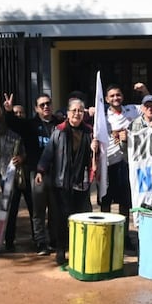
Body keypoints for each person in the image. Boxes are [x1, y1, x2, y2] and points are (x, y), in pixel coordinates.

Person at [35, 98, 99, 266]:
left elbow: (96, 158)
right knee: (61, 218)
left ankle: (80, 250)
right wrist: (41, 170)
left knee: (82, 216)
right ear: (68, 113)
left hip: (82, 181)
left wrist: (95, 148)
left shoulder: (90, 132)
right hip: (62, 182)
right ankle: (61, 251)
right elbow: (48, 153)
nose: (77, 114)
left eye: (80, 111)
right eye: (74, 110)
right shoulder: (59, 131)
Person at [4, 92, 59, 256]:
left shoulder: (60, 123)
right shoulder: (30, 125)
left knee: (55, 210)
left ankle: (54, 240)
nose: (46, 107)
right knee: (38, 210)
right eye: (42, 105)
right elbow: (13, 123)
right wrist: (7, 111)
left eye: (48, 103)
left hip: (57, 173)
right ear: (36, 108)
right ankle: (40, 242)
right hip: (37, 173)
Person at [100, 82, 149, 251]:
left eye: (118, 95)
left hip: (127, 161)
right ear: (106, 99)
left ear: (122, 97)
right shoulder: (102, 114)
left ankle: (124, 235)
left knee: (124, 202)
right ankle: (105, 234)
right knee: (105, 201)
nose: (115, 98)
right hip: (108, 162)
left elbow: (149, 107)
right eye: (112, 96)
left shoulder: (131, 110)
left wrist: (144, 90)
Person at [0, 91, 33, 252]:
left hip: (27, 174)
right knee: (11, 209)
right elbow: (0, 118)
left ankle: (38, 239)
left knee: (33, 208)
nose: (18, 115)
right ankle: (9, 241)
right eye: (15, 113)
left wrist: (24, 158)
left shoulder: (29, 129)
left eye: (21, 113)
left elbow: (36, 149)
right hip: (8, 175)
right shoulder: (5, 130)